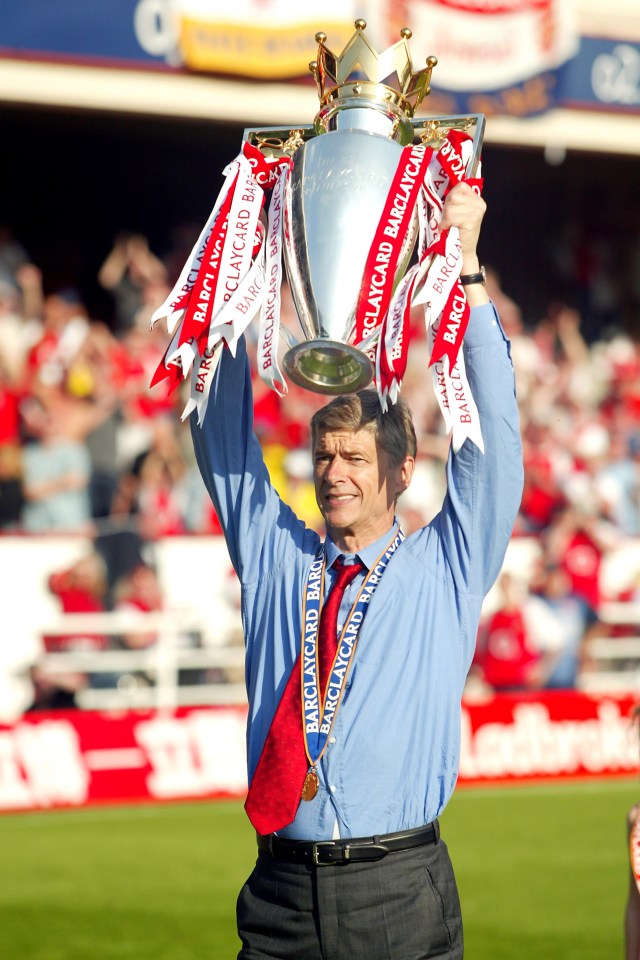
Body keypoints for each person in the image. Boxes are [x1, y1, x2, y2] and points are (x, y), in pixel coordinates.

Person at [190, 183, 523, 959]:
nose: (335, 473)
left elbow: (496, 440)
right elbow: (218, 428)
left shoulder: (445, 565)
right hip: (278, 896)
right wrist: (243, 251)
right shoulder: (277, 556)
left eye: (356, 458)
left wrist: (468, 273)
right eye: (323, 458)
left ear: (402, 470)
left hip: (399, 889)